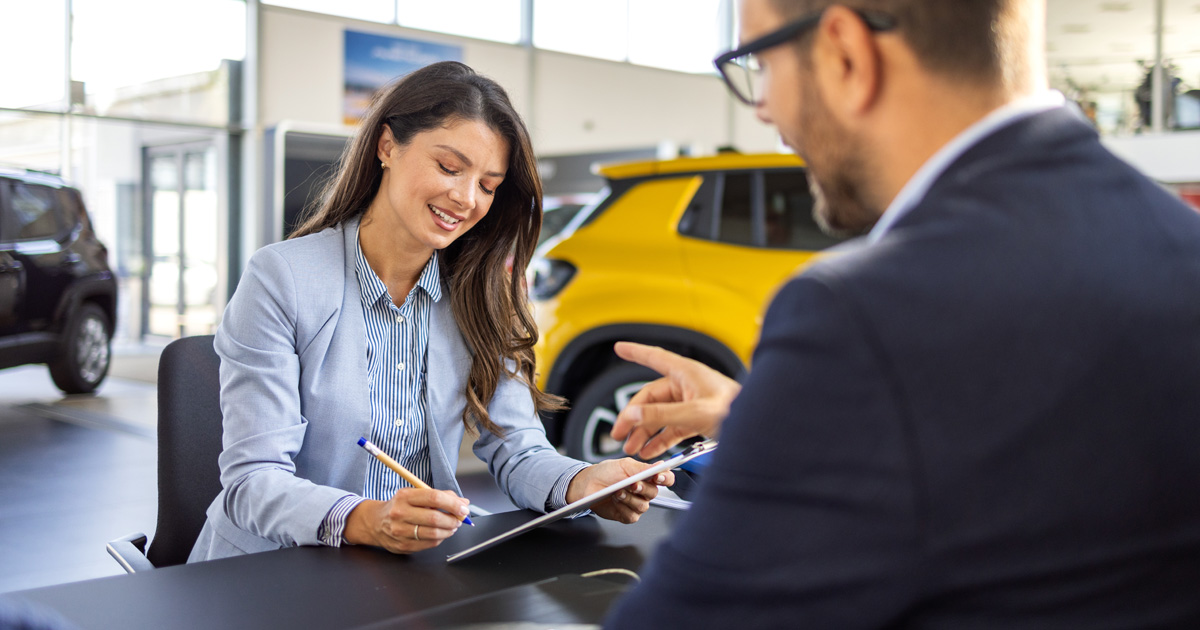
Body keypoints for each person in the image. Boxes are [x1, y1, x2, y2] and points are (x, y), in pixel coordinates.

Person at [605, 0, 1200, 626]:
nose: (764, 109)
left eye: (760, 62)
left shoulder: (860, 317)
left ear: (844, 52)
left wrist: (812, 400)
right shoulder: (1176, 244)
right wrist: (762, 415)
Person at [189, 61, 671, 561]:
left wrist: (584, 483)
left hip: (408, 571)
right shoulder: (281, 279)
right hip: (274, 569)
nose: (465, 198)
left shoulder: (483, 292)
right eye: (449, 167)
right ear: (387, 146)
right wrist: (365, 520)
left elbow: (517, 449)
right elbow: (253, 481)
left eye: (488, 185)